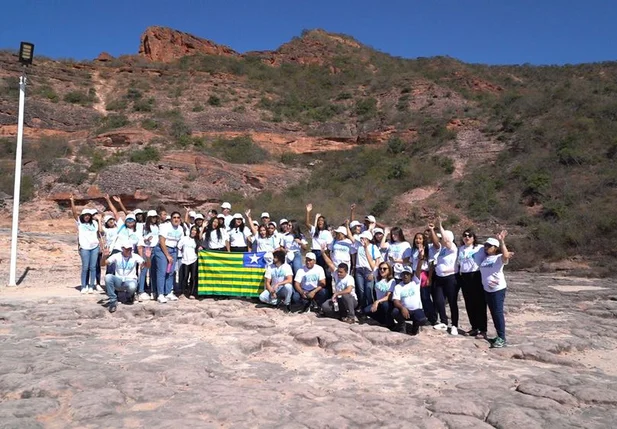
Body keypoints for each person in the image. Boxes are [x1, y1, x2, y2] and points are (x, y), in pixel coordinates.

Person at [480, 231, 512, 348]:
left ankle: (502, 338)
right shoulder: (485, 259)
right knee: (493, 313)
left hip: (497, 290)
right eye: (486, 245)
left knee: (498, 313)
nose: (486, 247)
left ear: (495, 248)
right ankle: (499, 335)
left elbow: (506, 256)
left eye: (489, 246)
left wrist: (502, 241)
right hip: (487, 290)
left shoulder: (498, 258)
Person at [428, 217, 459, 334]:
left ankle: (454, 325)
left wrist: (440, 225)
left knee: (452, 301)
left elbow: (446, 240)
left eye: (445, 237)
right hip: (439, 278)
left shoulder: (453, 248)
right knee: (439, 300)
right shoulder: (442, 250)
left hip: (451, 278)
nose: (443, 240)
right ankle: (444, 322)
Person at [101, 240, 148, 313]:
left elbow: (147, 265)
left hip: (130, 280)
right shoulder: (117, 255)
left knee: (132, 286)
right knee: (108, 277)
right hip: (119, 280)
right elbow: (103, 264)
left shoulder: (135, 256)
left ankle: (130, 296)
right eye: (127, 249)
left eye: (130, 249)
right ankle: (113, 300)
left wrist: (148, 258)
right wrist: (104, 256)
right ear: (122, 248)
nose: (129, 251)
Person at [457, 229, 487, 338]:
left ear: (474, 238)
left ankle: (483, 329)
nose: (467, 237)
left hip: (476, 276)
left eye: (469, 236)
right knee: (469, 304)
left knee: (480, 304)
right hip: (464, 277)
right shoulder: (460, 249)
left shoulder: (480, 248)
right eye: (465, 235)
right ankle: (474, 327)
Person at [391, 248, 429, 335]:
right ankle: (402, 326)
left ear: (411, 275)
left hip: (416, 310)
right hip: (404, 311)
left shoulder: (415, 282)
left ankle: (415, 328)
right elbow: (396, 301)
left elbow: (419, 269)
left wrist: (421, 258)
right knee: (395, 312)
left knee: (422, 319)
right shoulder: (398, 286)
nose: (405, 276)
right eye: (403, 274)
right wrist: (402, 308)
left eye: (407, 274)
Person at [70, 195, 100, 294]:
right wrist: (72, 201)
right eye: (85, 215)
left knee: (93, 267)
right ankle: (84, 286)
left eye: (88, 215)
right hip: (84, 248)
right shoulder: (80, 223)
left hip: (94, 247)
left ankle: (91, 285)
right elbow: (74, 213)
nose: (87, 216)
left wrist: (99, 220)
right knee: (85, 267)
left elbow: (100, 231)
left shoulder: (94, 223)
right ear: (82, 216)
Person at [153, 211, 183, 303]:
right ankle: (160, 294)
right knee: (162, 271)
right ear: (171, 219)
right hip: (162, 249)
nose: (176, 219)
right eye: (174, 217)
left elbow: (180, 242)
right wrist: (167, 255)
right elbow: (162, 241)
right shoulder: (165, 226)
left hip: (173, 250)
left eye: (178, 217)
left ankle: (169, 292)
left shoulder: (180, 229)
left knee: (170, 272)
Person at [321, 248, 357, 323]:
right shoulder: (336, 275)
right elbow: (330, 263)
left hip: (351, 300)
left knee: (345, 295)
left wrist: (337, 293)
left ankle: (351, 317)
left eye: (341, 272)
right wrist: (323, 253)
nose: (339, 273)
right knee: (325, 306)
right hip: (339, 300)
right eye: (338, 272)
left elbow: (349, 290)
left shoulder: (349, 278)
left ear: (346, 272)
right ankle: (340, 314)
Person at [352, 230, 381, 315]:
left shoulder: (373, 247)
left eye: (363, 238)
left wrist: (373, 273)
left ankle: (370, 309)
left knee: (368, 291)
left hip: (369, 270)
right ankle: (363, 308)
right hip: (359, 270)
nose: (361, 239)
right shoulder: (358, 246)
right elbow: (351, 237)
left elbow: (377, 260)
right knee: (361, 291)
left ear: (368, 239)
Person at [412, 232, 437, 326]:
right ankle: (422, 316)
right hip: (415, 274)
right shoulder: (413, 250)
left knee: (425, 297)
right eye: (416, 238)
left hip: (423, 274)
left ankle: (432, 318)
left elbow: (431, 265)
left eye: (420, 238)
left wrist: (429, 278)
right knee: (418, 297)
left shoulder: (428, 250)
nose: (418, 240)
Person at [306, 203, 333, 289]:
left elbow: (329, 245)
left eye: (322, 221)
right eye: (319, 220)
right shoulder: (314, 231)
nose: (320, 222)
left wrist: (328, 255)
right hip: (314, 252)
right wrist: (308, 212)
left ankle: (326, 290)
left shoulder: (327, 233)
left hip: (323, 254)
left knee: (324, 272)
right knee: (314, 271)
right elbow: (307, 223)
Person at [364, 261, 395, 327]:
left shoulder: (392, 281)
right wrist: (366, 250)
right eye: (380, 268)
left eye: (384, 269)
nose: (382, 270)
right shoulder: (377, 277)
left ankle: (390, 323)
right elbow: (370, 262)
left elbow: (389, 296)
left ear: (389, 270)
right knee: (366, 310)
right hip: (379, 303)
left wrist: (377, 301)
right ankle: (383, 321)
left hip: (387, 303)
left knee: (385, 304)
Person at [137, 210, 159, 301]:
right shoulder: (144, 226)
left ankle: (153, 290)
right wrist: (146, 239)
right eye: (153, 217)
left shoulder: (157, 226)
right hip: (147, 249)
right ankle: (141, 291)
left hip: (156, 248)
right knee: (144, 270)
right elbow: (141, 238)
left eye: (155, 217)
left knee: (153, 271)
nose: (154, 219)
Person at [177, 226, 199, 299]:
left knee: (193, 277)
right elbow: (179, 247)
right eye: (193, 230)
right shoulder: (184, 238)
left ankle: (192, 293)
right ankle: (183, 292)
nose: (193, 232)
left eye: (195, 230)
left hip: (194, 259)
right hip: (185, 260)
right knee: (185, 276)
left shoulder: (197, 240)